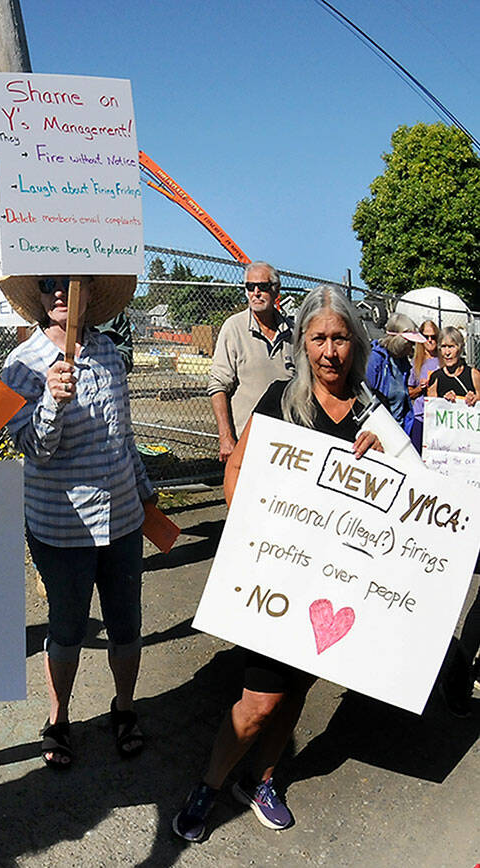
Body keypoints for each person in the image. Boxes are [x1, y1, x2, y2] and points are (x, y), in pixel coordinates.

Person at [172, 286, 383, 842]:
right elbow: (236, 471)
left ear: (355, 343)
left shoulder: (372, 415)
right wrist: (253, 542)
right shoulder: (281, 401)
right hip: (279, 580)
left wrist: (384, 459)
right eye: (319, 338)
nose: (330, 351)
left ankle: (261, 779)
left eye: (341, 338)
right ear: (303, 342)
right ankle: (210, 784)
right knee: (259, 700)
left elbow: (397, 501)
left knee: (297, 691)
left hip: (334, 588)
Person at [0, 272, 154, 769]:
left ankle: (124, 708)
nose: (61, 293)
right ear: (39, 298)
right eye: (48, 285)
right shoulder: (22, 365)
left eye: (72, 283)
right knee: (66, 629)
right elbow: (34, 450)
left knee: (127, 624)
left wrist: (147, 496)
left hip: (125, 518)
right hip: (62, 527)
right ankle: (58, 718)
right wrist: (52, 402)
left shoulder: (109, 353)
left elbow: (123, 437)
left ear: (89, 294)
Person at [208, 262, 296, 462]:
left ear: (276, 290)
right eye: (250, 287)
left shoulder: (294, 333)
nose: (256, 292)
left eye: (262, 287)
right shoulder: (234, 328)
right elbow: (218, 386)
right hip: (247, 445)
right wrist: (226, 438)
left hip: (287, 448)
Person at [364, 312, 422, 426]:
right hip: (381, 430)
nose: (412, 346)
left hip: (401, 428)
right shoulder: (375, 360)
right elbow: (366, 399)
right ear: (401, 342)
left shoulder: (403, 363)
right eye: (410, 343)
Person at [405, 319, 440, 450]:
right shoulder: (416, 363)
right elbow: (409, 393)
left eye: (433, 337)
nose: (430, 340)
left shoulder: (444, 360)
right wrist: (420, 388)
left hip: (438, 417)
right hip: (420, 416)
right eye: (426, 337)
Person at [427, 325, 480, 406]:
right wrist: (444, 402)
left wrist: (474, 399)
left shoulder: (474, 375)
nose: (447, 352)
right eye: (444, 347)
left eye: (451, 346)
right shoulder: (436, 378)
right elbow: (431, 410)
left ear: (460, 348)